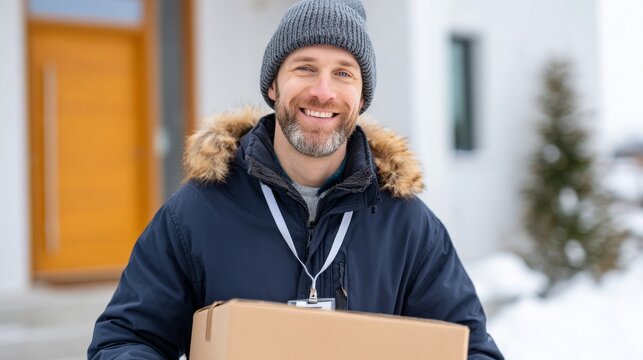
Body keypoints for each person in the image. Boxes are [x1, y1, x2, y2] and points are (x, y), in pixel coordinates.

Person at [88, 0, 503, 358]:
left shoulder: (407, 225)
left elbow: (470, 349)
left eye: (344, 73)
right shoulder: (197, 213)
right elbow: (125, 339)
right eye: (305, 68)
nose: (323, 92)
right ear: (273, 85)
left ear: (361, 98)